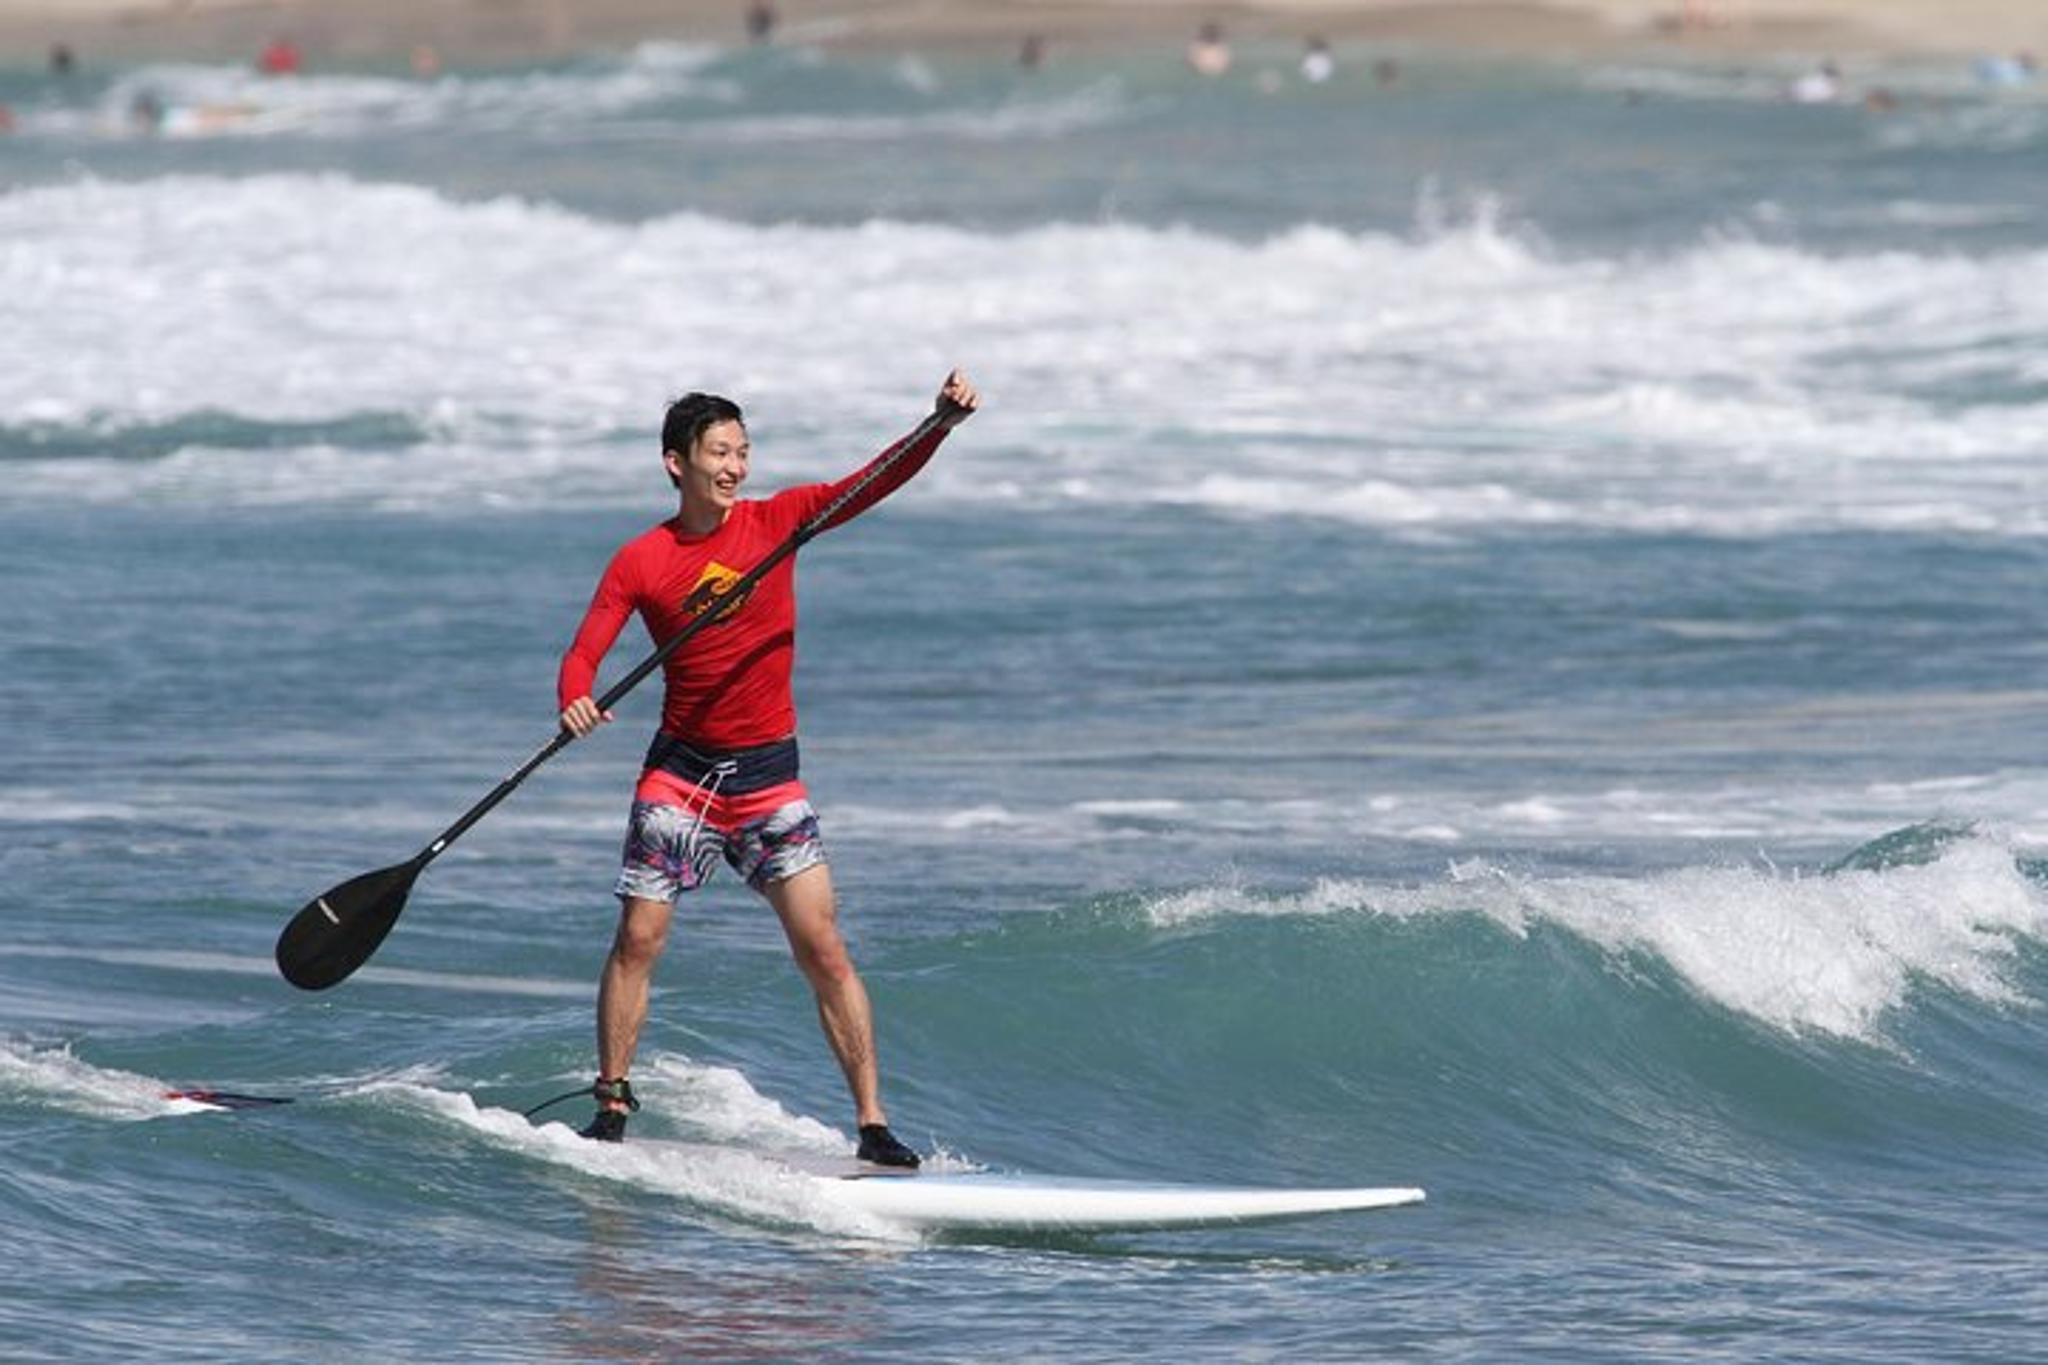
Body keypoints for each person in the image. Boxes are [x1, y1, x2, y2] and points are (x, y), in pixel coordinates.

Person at [557, 370, 981, 1161]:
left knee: (823, 946)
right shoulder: (641, 559)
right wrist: (576, 697)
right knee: (638, 938)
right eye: (719, 451)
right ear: (674, 462)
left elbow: (869, 483)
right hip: (680, 778)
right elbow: (586, 649)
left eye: (743, 451)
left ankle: (872, 1123)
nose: (735, 466)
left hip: (769, 780)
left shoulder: (780, 521)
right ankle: (612, 1106)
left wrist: (937, 426)